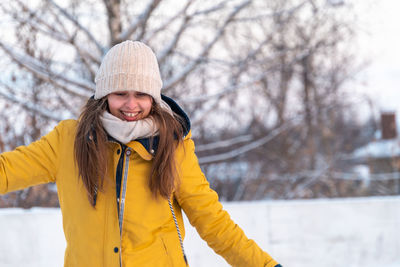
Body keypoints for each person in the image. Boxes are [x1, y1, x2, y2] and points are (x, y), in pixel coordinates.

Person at [0, 40, 281, 267]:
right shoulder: (69, 141)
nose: (131, 105)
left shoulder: (173, 146)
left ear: (154, 98)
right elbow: (7, 171)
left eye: (141, 94)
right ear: (104, 94)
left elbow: (213, 222)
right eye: (120, 92)